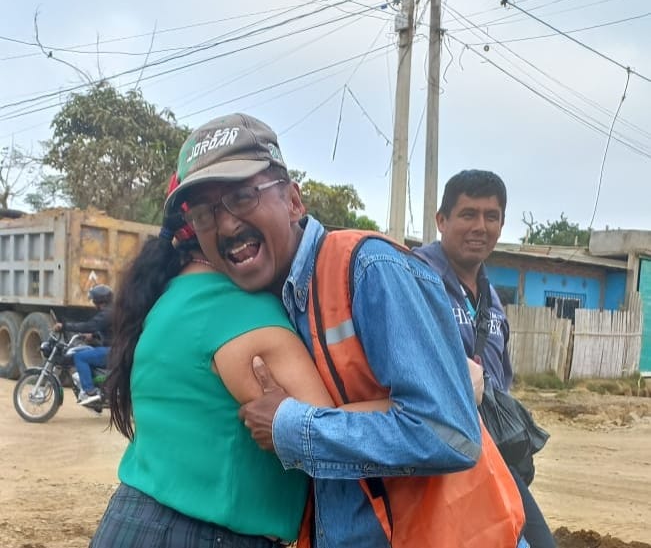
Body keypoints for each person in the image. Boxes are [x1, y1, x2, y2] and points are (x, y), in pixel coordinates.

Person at [163, 112, 527, 548]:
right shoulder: (267, 305)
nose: (226, 225)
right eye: (205, 214)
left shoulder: (369, 269)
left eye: (243, 197)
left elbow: (448, 433)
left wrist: (291, 427)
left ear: (293, 201)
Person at [90, 188, 388, 548]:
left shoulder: (170, 296)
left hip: (128, 522)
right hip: (204, 536)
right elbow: (330, 432)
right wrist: (423, 403)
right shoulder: (244, 312)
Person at [413, 169, 555, 548]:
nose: (480, 226)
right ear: (441, 220)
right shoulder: (413, 279)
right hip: (436, 462)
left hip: (490, 458)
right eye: (468, 214)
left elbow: (501, 377)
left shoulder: (491, 299)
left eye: (491, 216)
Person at [54, 284, 113, 406]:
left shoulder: (107, 313)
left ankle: (89, 392)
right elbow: (111, 331)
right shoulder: (113, 311)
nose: (94, 303)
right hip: (116, 349)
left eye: (94, 300)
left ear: (99, 300)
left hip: (113, 351)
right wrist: (94, 336)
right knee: (88, 351)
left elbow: (89, 325)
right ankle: (97, 389)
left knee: (80, 357)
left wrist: (65, 326)